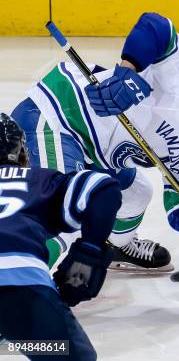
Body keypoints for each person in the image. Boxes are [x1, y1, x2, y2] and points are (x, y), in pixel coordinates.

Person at [11, 12, 179, 272]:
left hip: (97, 155)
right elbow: (155, 25)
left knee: (136, 193)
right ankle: (15, 279)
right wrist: (126, 73)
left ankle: (115, 246)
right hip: (58, 117)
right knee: (65, 212)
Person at [0, 112, 119, 360]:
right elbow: (103, 189)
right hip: (20, 286)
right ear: (19, 150)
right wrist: (88, 254)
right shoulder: (36, 180)